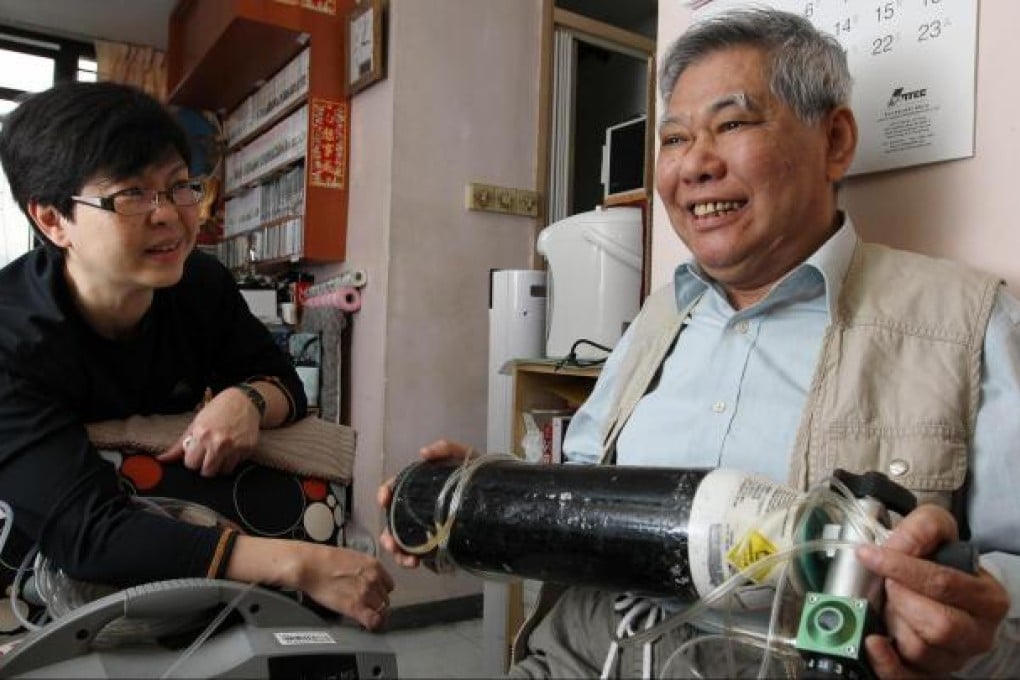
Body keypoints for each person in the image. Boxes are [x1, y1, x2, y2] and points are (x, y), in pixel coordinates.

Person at [380, 8, 1018, 677]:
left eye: (733, 124)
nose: (694, 165)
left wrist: (969, 629)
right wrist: (492, 494)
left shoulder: (967, 322)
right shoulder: (658, 317)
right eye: (675, 138)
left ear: (834, 141)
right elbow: (587, 495)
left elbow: (1007, 588)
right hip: (579, 659)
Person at [0, 81, 393, 631]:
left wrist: (247, 400)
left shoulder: (200, 285)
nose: (168, 214)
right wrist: (300, 564)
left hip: (178, 555)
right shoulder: (12, 337)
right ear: (52, 220)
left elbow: (284, 383)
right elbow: (87, 532)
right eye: (131, 194)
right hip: (41, 577)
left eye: (179, 185)